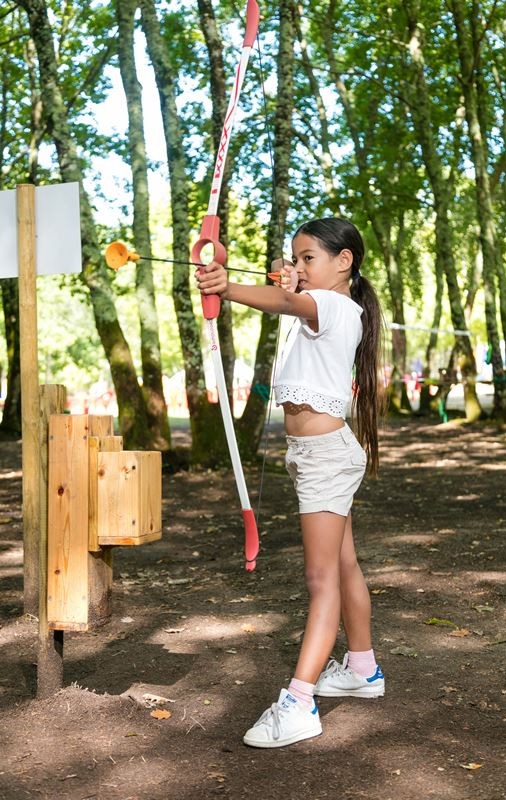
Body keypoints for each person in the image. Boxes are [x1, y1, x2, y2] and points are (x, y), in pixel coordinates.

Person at [196, 217, 385, 749]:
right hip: (313, 454)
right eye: (294, 258)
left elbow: (287, 303)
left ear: (343, 261)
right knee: (342, 565)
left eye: (309, 259)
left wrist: (226, 286)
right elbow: (291, 304)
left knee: (320, 579)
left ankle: (299, 703)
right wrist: (281, 281)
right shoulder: (320, 309)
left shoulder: (336, 306)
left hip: (325, 457)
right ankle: (363, 669)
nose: (297, 267)